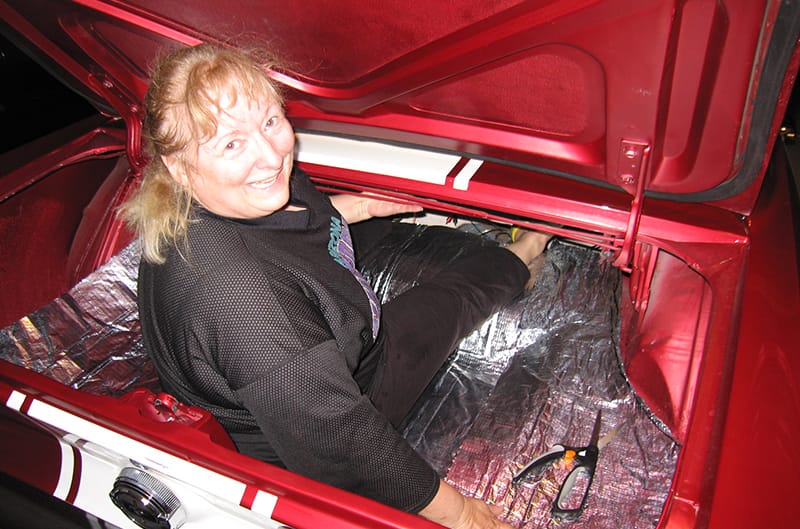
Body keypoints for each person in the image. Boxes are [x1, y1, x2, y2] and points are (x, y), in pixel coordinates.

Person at [121, 43, 550, 529]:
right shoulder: (242, 300)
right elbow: (338, 439)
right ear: (179, 167)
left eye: (269, 122)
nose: (271, 156)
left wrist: (362, 207)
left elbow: (294, 230)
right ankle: (524, 256)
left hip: (306, 357)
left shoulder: (226, 199)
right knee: (445, 305)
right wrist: (463, 514)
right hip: (309, 428)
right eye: (230, 144)